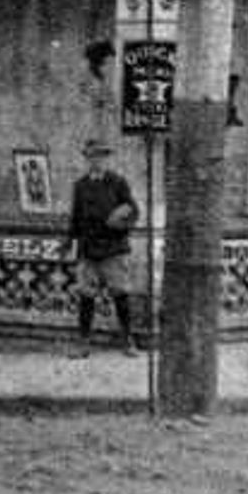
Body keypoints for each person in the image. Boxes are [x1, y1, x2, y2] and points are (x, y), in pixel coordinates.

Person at [62, 139, 145, 351]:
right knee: (86, 297)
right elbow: (76, 217)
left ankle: (127, 340)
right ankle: (83, 342)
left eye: (101, 156)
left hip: (113, 249)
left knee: (121, 295)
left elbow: (134, 211)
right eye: (92, 156)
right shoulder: (80, 185)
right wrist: (68, 240)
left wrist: (119, 223)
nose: (96, 160)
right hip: (88, 249)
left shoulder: (118, 182)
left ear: (106, 158)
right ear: (87, 159)